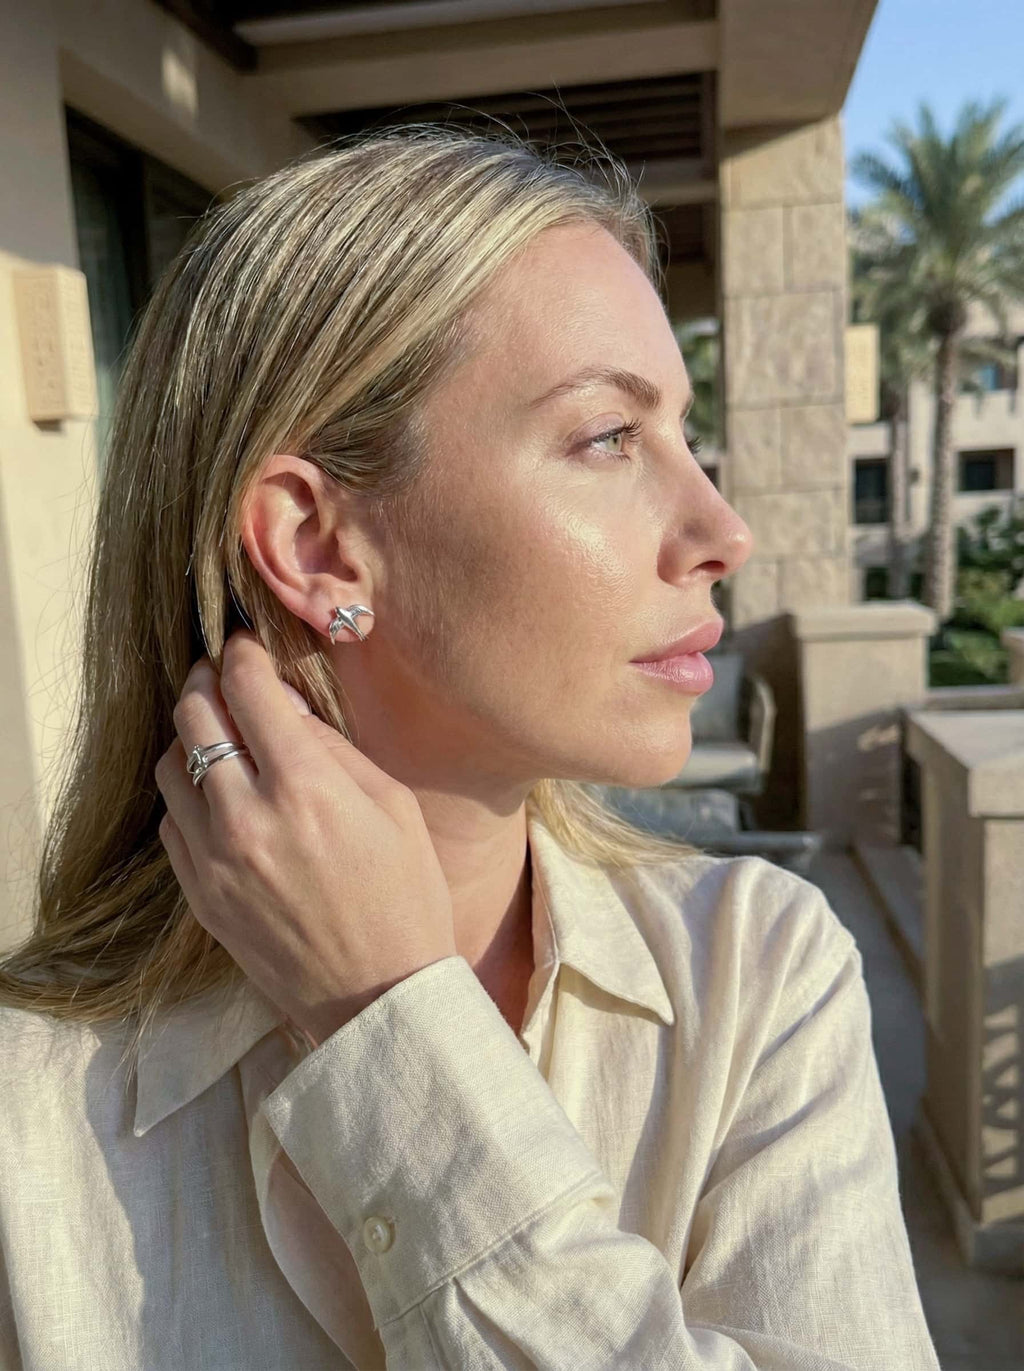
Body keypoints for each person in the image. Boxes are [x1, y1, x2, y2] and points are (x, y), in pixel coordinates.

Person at [0, 124, 940, 1370]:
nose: (720, 527)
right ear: (319, 546)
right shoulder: (31, 1110)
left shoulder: (758, 980)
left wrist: (385, 1025)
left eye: (684, 436)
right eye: (610, 438)